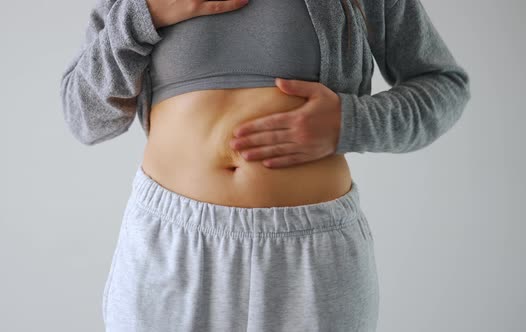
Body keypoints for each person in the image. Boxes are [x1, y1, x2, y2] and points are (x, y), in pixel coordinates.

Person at [59, 0, 471, 330]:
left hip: (312, 255)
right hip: (171, 247)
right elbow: (86, 118)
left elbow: (444, 85)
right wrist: (143, 15)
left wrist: (352, 122)